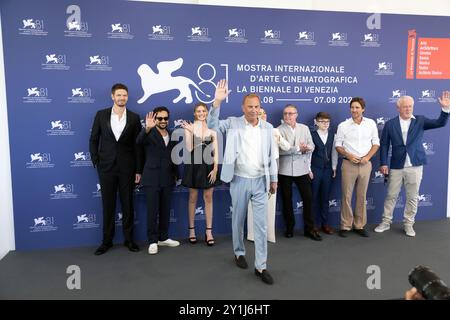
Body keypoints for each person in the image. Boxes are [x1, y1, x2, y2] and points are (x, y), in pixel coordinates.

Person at [207, 79, 278, 285]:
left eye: (257, 106)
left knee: (261, 226)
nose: (253, 110)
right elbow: (212, 126)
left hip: (260, 182)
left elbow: (271, 155)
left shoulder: (268, 127)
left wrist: (273, 179)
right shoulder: (232, 122)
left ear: (260, 107)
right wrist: (217, 102)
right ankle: (238, 253)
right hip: (238, 180)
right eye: (250, 107)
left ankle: (261, 266)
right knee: (237, 220)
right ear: (243, 108)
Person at [374, 93, 450, 237]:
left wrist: (445, 110)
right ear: (398, 108)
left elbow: (439, 123)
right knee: (391, 195)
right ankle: (385, 222)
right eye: (405, 107)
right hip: (396, 165)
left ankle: (409, 224)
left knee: (413, 196)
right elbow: (384, 144)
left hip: (415, 165)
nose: (408, 109)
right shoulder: (390, 124)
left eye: (410, 106)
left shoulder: (420, 120)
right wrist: (384, 162)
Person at [89, 83, 143, 255]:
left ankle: (129, 240)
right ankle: (106, 241)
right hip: (106, 167)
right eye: (118, 95)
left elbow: (138, 146)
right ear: (112, 96)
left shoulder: (134, 117)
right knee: (108, 205)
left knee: (128, 204)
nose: (121, 98)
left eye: (124, 95)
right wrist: (96, 160)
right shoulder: (101, 114)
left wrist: (138, 170)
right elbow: (93, 140)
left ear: (127, 97)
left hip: (127, 168)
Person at [137, 106, 180, 255]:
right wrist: (146, 129)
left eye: (165, 118)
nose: (163, 121)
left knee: (165, 210)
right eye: (159, 118)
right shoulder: (148, 133)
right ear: (154, 119)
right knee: (152, 211)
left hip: (167, 178)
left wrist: (177, 174)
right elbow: (138, 143)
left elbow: (174, 157)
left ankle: (163, 237)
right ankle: (152, 241)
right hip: (151, 177)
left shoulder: (172, 133)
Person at [335, 97, 380, 238]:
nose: (354, 110)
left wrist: (367, 157)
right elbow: (338, 145)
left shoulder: (371, 124)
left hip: (366, 164)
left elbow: (376, 143)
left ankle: (359, 225)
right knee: (346, 196)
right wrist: (348, 155)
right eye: (352, 107)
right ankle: (345, 225)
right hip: (349, 164)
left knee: (362, 196)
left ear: (363, 109)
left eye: (357, 107)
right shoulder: (343, 125)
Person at [277, 104, 321, 241]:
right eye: (285, 114)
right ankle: (289, 228)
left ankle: (309, 229)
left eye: (290, 113)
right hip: (285, 170)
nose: (288, 116)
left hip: (302, 170)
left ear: (296, 115)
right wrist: (296, 149)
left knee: (308, 199)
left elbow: (312, 146)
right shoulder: (278, 130)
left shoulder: (305, 128)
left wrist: (307, 148)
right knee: (286, 200)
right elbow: (279, 151)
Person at [247, 108, 290, 243]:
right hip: (254, 170)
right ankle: (252, 235)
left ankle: (269, 235)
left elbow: (287, 147)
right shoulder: (249, 130)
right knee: (252, 203)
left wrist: (279, 140)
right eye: (259, 113)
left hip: (272, 170)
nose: (261, 115)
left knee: (270, 203)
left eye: (263, 113)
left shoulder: (274, 130)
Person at [181, 102, 219, 246]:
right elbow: (190, 148)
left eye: (204, 111)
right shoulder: (188, 128)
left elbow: (216, 152)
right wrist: (192, 131)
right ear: (194, 113)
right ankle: (192, 230)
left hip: (209, 165)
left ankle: (209, 231)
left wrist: (215, 168)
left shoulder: (213, 131)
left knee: (208, 197)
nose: (201, 113)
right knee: (193, 197)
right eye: (198, 111)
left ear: (207, 113)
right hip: (194, 165)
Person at [310, 112, 338, 234]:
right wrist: (309, 170)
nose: (325, 124)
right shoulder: (312, 135)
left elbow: (334, 152)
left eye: (327, 122)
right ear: (316, 122)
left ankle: (325, 224)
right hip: (315, 169)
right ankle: (314, 224)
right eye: (322, 121)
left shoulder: (333, 135)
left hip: (327, 170)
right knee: (314, 198)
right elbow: (308, 154)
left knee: (325, 197)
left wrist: (334, 167)